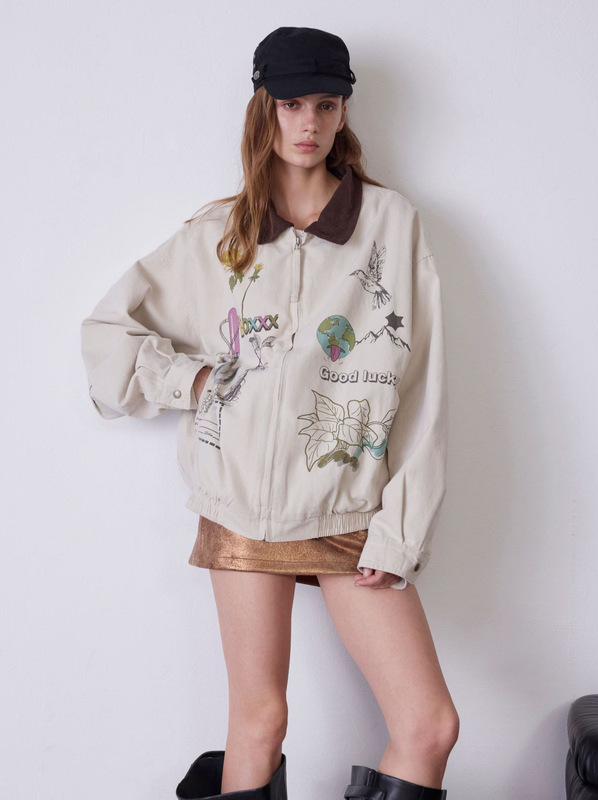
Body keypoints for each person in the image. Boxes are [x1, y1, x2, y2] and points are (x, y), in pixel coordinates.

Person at [80, 25, 459, 800]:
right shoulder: (218, 236)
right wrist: (192, 381)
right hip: (242, 507)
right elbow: (106, 336)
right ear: (264, 107)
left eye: (326, 104)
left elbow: (423, 388)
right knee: (259, 722)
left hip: (349, 508)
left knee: (428, 726)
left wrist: (400, 529)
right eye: (291, 104)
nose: (309, 124)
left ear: (345, 111)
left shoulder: (392, 226)